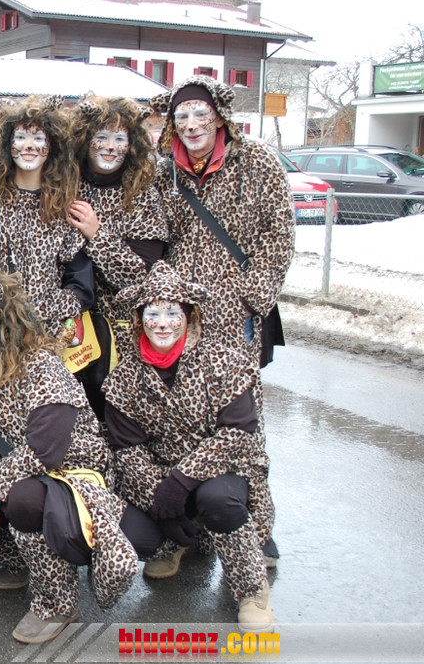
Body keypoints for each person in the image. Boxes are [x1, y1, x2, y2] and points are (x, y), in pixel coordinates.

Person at [0, 268, 137, 644]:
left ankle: (58, 603)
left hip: (70, 473)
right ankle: (24, 559)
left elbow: (45, 450)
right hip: (7, 473)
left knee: (23, 497)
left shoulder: (40, 366)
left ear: (3, 326)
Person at [150, 75, 295, 565]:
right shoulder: (165, 173)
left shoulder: (257, 163)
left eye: (200, 114)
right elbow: (156, 235)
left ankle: (256, 527)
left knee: (241, 419)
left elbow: (280, 232)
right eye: (181, 116)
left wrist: (253, 296)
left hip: (236, 314)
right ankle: (187, 528)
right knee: (179, 417)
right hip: (180, 317)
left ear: (219, 118)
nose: (191, 124)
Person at [103, 261, 274, 634]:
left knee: (218, 499)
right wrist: (160, 499)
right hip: (163, 479)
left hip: (224, 471)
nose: (162, 323)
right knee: (134, 530)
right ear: (139, 319)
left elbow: (238, 434)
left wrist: (181, 481)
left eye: (172, 313)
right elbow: (126, 451)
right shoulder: (124, 378)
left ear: (190, 315)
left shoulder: (224, 362)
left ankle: (251, 588)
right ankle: (178, 541)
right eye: (152, 313)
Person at [0, 96, 94, 338]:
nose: (29, 146)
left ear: (52, 147)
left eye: (39, 138)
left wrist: (38, 311)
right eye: (21, 137)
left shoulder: (64, 209)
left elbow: (81, 287)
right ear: (7, 144)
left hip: (44, 338)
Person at [66, 95, 167, 420]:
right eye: (102, 137)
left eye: (119, 138)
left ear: (132, 144)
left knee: (114, 417)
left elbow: (141, 276)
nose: (110, 147)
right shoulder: (64, 185)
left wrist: (96, 234)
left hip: (119, 333)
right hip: (67, 326)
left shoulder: (142, 196)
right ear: (85, 139)